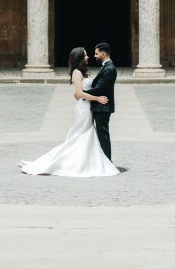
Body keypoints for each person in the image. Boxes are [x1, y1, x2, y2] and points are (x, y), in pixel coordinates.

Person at [19, 46, 119, 177]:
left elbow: (81, 92)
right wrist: (97, 98)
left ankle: (91, 160)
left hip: (87, 106)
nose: (88, 56)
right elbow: (78, 93)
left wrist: (88, 96)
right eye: (85, 55)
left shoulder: (83, 72)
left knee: (87, 133)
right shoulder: (77, 73)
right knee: (81, 133)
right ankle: (76, 161)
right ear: (80, 58)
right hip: (84, 108)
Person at [83, 42, 116, 162]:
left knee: (103, 135)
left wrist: (82, 94)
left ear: (103, 53)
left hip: (103, 107)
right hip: (100, 106)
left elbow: (99, 89)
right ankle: (103, 161)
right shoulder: (105, 66)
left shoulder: (110, 69)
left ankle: (107, 162)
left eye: (96, 53)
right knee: (101, 134)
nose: (94, 56)